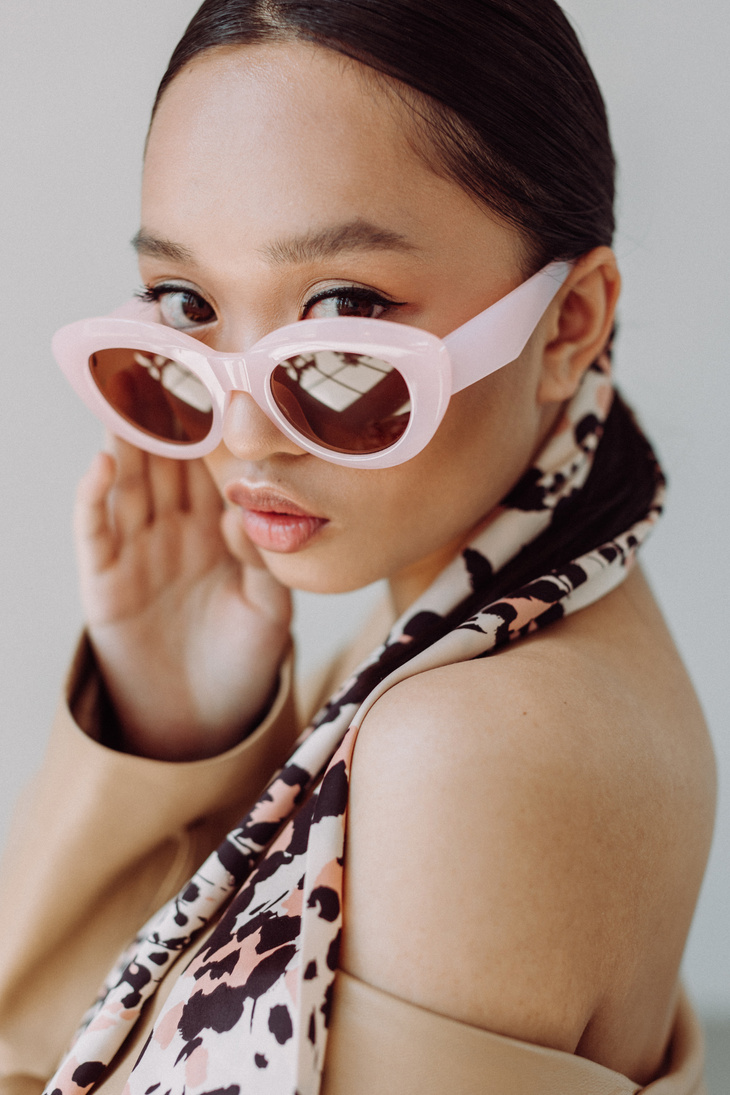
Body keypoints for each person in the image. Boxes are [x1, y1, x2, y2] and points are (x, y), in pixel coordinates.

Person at [0, 1, 716, 1093]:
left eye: (344, 308)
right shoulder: (457, 637)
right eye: (185, 302)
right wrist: (175, 724)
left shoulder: (471, 750)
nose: (241, 435)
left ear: (567, 324)